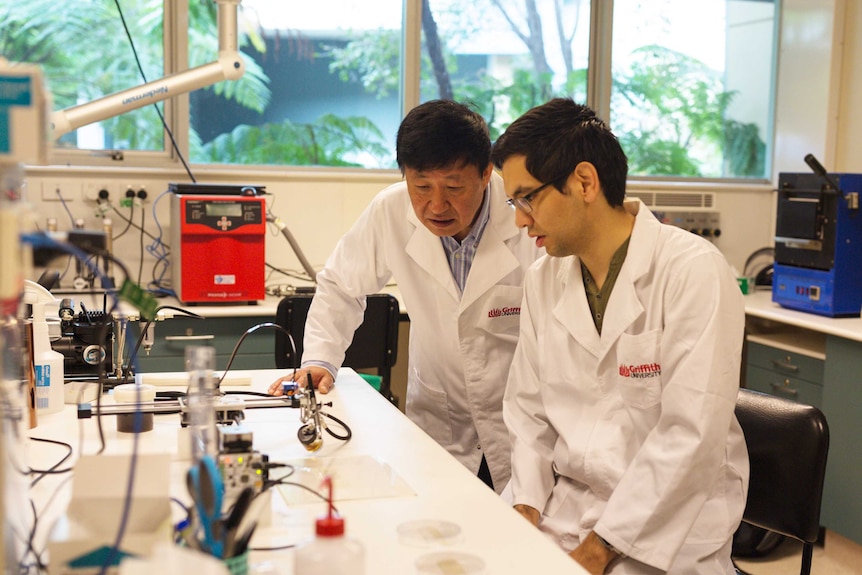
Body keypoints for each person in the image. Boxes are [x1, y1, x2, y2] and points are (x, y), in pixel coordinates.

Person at [490, 98, 749, 575]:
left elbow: (689, 436)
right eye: (514, 202)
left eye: (528, 198)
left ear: (585, 182)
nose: (520, 220)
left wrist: (596, 551)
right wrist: (524, 505)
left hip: (669, 529)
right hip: (567, 507)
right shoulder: (544, 279)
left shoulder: (692, 271)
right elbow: (527, 411)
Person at [268, 100, 544, 492]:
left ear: (486, 174)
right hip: (439, 426)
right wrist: (319, 361)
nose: (435, 205)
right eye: (421, 187)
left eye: (453, 187)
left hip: (519, 431)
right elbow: (341, 287)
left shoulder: (527, 219)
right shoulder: (390, 210)